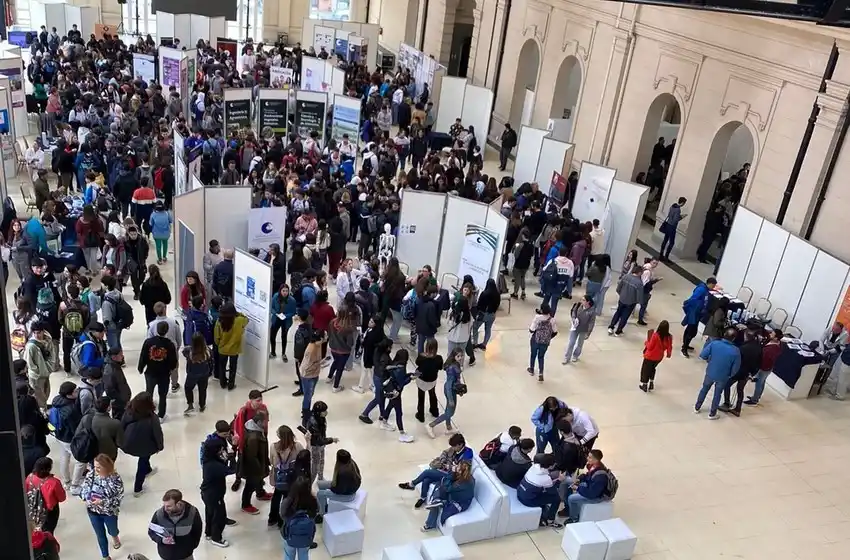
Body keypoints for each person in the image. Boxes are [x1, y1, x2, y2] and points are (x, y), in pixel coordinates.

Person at [398, 433, 474, 509]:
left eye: (454, 446)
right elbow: (445, 452)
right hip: (445, 471)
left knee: (427, 472)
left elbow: (461, 469)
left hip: (452, 476)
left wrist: (448, 466)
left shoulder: (468, 453)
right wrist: (443, 461)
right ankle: (422, 498)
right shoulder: (454, 449)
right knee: (426, 479)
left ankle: (412, 484)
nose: (452, 448)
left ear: (460, 445)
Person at [80, 454, 124, 560]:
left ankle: (115, 536)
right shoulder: (91, 474)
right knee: (100, 535)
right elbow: (83, 489)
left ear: (107, 466)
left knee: (112, 529)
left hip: (109, 512)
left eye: (99, 467)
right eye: (95, 466)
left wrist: (103, 502)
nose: (96, 469)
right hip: (93, 511)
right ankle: (105, 556)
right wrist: (86, 498)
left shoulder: (115, 478)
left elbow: (119, 498)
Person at [120, 392, 164, 496]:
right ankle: (137, 488)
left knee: (145, 459)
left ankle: (148, 469)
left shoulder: (128, 412)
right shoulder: (152, 418)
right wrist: (160, 446)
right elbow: (157, 434)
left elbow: (122, 427)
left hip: (129, 443)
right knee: (142, 462)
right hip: (145, 445)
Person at [694, 327, 742, 419]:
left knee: (704, 389)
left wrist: (710, 361)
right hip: (723, 376)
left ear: (724, 334)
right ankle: (712, 414)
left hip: (710, 372)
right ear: (734, 338)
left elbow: (703, 355)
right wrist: (729, 375)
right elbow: (736, 368)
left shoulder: (714, 344)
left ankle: (697, 407)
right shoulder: (736, 351)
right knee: (717, 394)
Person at [49, 381, 85, 494]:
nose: (78, 391)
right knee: (81, 460)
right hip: (69, 438)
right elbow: (75, 428)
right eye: (75, 391)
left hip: (59, 435)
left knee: (65, 457)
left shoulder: (56, 400)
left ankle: (66, 481)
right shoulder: (70, 410)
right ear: (69, 394)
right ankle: (75, 485)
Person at [200, 437, 236, 548]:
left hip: (207, 493)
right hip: (215, 494)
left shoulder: (207, 459)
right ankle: (217, 538)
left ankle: (209, 533)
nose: (222, 450)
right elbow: (231, 470)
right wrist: (233, 457)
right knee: (219, 516)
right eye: (220, 449)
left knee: (210, 513)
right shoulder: (214, 466)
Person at [147, 489, 203, 560]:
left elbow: (197, 531)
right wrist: (162, 540)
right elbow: (151, 532)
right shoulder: (159, 514)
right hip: (166, 556)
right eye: (164, 505)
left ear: (178, 504)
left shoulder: (192, 513)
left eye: (169, 506)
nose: (165, 508)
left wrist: (191, 546)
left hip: (186, 556)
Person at [138, 321, 179, 419]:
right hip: (164, 374)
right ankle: (161, 415)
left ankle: (148, 412)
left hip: (150, 372)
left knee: (149, 393)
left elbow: (143, 356)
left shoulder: (148, 342)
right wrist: (171, 368)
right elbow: (173, 361)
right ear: (167, 331)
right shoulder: (170, 344)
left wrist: (141, 367)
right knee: (163, 395)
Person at [421, 460, 476, 532]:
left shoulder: (464, 483)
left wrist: (452, 472)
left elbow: (447, 487)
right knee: (438, 491)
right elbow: (447, 483)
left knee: (440, 492)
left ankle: (431, 523)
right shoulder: (464, 476)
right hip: (455, 495)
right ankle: (437, 502)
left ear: (460, 470)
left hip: (459, 503)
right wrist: (452, 473)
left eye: (457, 466)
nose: (455, 466)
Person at [562, 449, 614, 523]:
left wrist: (578, 488)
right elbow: (587, 476)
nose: (587, 458)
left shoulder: (600, 477)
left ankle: (574, 518)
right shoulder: (595, 466)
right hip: (593, 488)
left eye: (589, 457)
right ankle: (574, 508)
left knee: (571, 498)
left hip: (598, 496)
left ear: (596, 460)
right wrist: (579, 479)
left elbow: (592, 494)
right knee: (577, 485)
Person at [719, 329, 763, 417]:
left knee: (727, 385)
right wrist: (752, 373)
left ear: (746, 336)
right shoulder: (759, 348)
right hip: (747, 373)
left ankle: (727, 403)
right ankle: (737, 409)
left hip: (738, 372)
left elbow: (736, 361)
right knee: (740, 390)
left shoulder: (742, 348)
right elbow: (759, 362)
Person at [268, 425, 304, 527]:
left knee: (276, 496)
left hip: (278, 477)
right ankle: (285, 518)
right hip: (291, 477)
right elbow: (305, 457)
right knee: (288, 497)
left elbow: (271, 461)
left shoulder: (273, 447)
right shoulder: (297, 446)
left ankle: (272, 518)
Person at [517, 453, 565, 528]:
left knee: (542, 491)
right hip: (527, 500)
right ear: (550, 466)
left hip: (520, 492)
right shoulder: (545, 478)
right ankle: (550, 520)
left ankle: (544, 510)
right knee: (556, 499)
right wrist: (559, 480)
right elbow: (552, 492)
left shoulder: (534, 466)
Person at [426, 347, 464, 439]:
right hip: (450, 390)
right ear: (454, 356)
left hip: (453, 389)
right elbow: (449, 384)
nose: (460, 358)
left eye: (461, 356)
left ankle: (449, 427)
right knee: (449, 412)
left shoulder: (455, 364)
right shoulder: (452, 368)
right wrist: (450, 398)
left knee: (449, 410)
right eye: (458, 356)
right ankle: (431, 425)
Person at [239, 409, 271, 515]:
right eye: (266, 420)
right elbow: (252, 456)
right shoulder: (253, 438)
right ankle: (246, 505)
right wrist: (259, 469)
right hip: (253, 466)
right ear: (259, 422)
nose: (268, 422)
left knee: (259, 480)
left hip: (260, 461)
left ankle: (260, 493)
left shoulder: (258, 429)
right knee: (250, 484)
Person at [147, 301, 183, 392]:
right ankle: (174, 384)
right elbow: (179, 338)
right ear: (165, 310)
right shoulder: (174, 322)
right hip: (172, 349)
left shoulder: (151, 325)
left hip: (158, 351)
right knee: (174, 367)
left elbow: (149, 340)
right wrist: (177, 347)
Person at [279, 477, 319, 560]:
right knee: (304, 555)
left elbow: (282, 515)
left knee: (289, 555)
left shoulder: (287, 502)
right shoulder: (313, 501)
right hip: (306, 536)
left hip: (290, 535)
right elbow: (316, 513)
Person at [25, 457, 66, 533]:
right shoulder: (54, 482)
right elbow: (62, 498)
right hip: (49, 512)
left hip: (32, 508)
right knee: (48, 532)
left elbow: (26, 490)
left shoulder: (30, 477)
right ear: (48, 469)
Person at [316, 449, 361, 516]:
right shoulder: (352, 463)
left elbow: (339, 490)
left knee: (320, 494)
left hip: (347, 495)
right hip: (348, 489)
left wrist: (331, 488)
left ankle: (322, 514)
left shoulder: (342, 472)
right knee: (320, 484)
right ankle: (323, 504)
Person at [214, 302, 248, 390]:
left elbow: (216, 337)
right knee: (233, 368)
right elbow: (246, 319)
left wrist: (219, 344)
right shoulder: (239, 320)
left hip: (222, 349)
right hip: (234, 349)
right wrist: (238, 313)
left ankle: (223, 383)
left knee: (222, 367)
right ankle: (231, 385)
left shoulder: (219, 321)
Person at [681, 277, 718, 358]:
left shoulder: (705, 289)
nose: (713, 287)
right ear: (710, 284)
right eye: (713, 286)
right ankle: (684, 348)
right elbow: (693, 299)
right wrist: (695, 309)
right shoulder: (701, 290)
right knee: (691, 331)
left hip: (697, 314)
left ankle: (686, 344)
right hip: (694, 313)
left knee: (691, 330)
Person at [746, 328, 783, 405]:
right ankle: (757, 396)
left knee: (759, 384)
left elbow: (765, 359)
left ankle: (754, 400)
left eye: (772, 334)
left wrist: (758, 367)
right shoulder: (775, 342)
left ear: (776, 338)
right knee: (762, 382)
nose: (770, 334)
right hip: (766, 367)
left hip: (764, 368)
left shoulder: (772, 349)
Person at [25, 321, 56, 409]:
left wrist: (50, 368)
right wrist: (37, 372)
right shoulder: (31, 346)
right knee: (39, 399)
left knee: (46, 394)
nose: (36, 335)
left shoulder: (48, 340)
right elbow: (29, 362)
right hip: (37, 377)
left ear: (43, 331)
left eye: (39, 332)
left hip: (46, 373)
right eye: (34, 333)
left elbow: (52, 355)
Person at [607, 265, 643, 337]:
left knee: (618, 312)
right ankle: (618, 331)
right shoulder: (639, 283)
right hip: (631, 302)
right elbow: (639, 296)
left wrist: (621, 294)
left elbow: (618, 287)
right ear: (639, 272)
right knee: (625, 316)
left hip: (622, 299)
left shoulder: (625, 277)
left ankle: (611, 327)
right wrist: (638, 301)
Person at [327, 306, 357, 392]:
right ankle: (336, 387)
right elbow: (350, 343)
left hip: (333, 348)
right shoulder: (348, 327)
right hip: (344, 351)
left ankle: (329, 377)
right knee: (340, 368)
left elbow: (329, 334)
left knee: (335, 362)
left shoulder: (332, 322)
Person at [353, 314, 385, 394]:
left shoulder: (373, 335)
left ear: (375, 324)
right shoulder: (376, 331)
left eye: (371, 322)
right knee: (369, 370)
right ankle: (372, 385)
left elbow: (366, 343)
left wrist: (362, 339)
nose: (369, 323)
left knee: (365, 369)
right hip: (370, 354)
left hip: (368, 354)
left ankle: (361, 387)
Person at [184, 332, 213, 414]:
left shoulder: (188, 351)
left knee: (188, 388)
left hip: (192, 374)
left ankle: (190, 405)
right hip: (204, 373)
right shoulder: (208, 351)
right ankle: (202, 405)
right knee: (202, 389)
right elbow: (211, 361)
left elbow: (184, 353)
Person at [640, 321, 673, 392]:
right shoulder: (669, 337)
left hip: (650, 357)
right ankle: (651, 383)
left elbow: (650, 347)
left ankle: (644, 385)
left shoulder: (655, 335)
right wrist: (668, 354)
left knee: (645, 370)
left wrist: (646, 343)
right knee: (652, 369)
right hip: (659, 357)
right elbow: (669, 347)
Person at [540, 246, 574, 315]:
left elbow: (544, 270)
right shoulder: (570, 263)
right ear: (567, 253)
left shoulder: (553, 261)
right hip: (560, 285)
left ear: (558, 253)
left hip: (551, 282)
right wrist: (569, 290)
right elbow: (570, 276)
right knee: (554, 302)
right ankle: (551, 317)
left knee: (546, 298)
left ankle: (543, 312)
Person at [415, 338, 443, 422]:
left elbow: (417, 363)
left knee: (421, 397)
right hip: (432, 380)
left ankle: (420, 415)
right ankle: (434, 411)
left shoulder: (421, 357)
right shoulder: (439, 358)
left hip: (422, 380)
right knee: (432, 394)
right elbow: (440, 367)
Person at [562, 295, 596, 364]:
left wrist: (588, 333)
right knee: (571, 343)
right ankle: (567, 357)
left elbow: (591, 323)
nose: (581, 301)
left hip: (584, 330)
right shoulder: (578, 305)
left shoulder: (592, 311)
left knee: (579, 344)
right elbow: (574, 312)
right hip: (575, 327)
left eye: (583, 300)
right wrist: (574, 318)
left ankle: (575, 355)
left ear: (588, 302)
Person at [528, 303, 558, 381]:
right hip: (545, 342)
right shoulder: (552, 319)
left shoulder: (537, 318)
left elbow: (531, 330)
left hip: (536, 340)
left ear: (541, 310)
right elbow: (555, 332)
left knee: (533, 354)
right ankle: (541, 373)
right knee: (541, 357)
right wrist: (548, 338)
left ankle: (531, 369)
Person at [88, 396, 124, 462]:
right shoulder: (115, 423)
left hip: (91, 452)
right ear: (108, 408)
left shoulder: (87, 419)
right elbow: (120, 443)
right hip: (109, 453)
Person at [299, 330, 324, 422]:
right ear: (320, 339)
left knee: (310, 393)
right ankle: (305, 414)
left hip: (314, 373)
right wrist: (321, 363)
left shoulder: (318, 344)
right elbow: (308, 366)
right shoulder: (311, 350)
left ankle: (306, 411)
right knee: (308, 395)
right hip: (308, 375)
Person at [270, 284, 297, 361]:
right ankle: (273, 352)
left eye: (286, 291)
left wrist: (285, 316)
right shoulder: (275, 297)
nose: (285, 292)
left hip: (286, 320)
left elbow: (293, 312)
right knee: (272, 336)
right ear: (280, 291)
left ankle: (283, 353)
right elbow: (271, 307)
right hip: (276, 319)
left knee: (284, 337)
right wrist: (276, 313)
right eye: (283, 291)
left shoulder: (292, 300)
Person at [472, 279, 500, 350]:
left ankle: (475, 343)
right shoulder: (497, 294)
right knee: (488, 329)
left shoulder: (484, 293)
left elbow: (479, 304)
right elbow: (498, 305)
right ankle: (484, 344)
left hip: (483, 314)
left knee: (475, 327)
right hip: (492, 315)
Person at [100, 276, 127, 352]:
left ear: (106, 286)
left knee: (113, 345)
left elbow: (107, 318)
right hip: (119, 322)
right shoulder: (119, 294)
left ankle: (117, 361)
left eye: (102, 284)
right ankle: (121, 359)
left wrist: (105, 327)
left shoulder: (106, 301)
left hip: (111, 326)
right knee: (117, 342)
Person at [659, 197, 687, 261]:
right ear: (682, 203)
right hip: (672, 227)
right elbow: (675, 220)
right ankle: (666, 256)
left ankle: (661, 254)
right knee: (671, 242)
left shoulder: (672, 206)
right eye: (684, 203)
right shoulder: (678, 210)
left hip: (668, 225)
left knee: (665, 240)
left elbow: (669, 215)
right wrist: (681, 217)